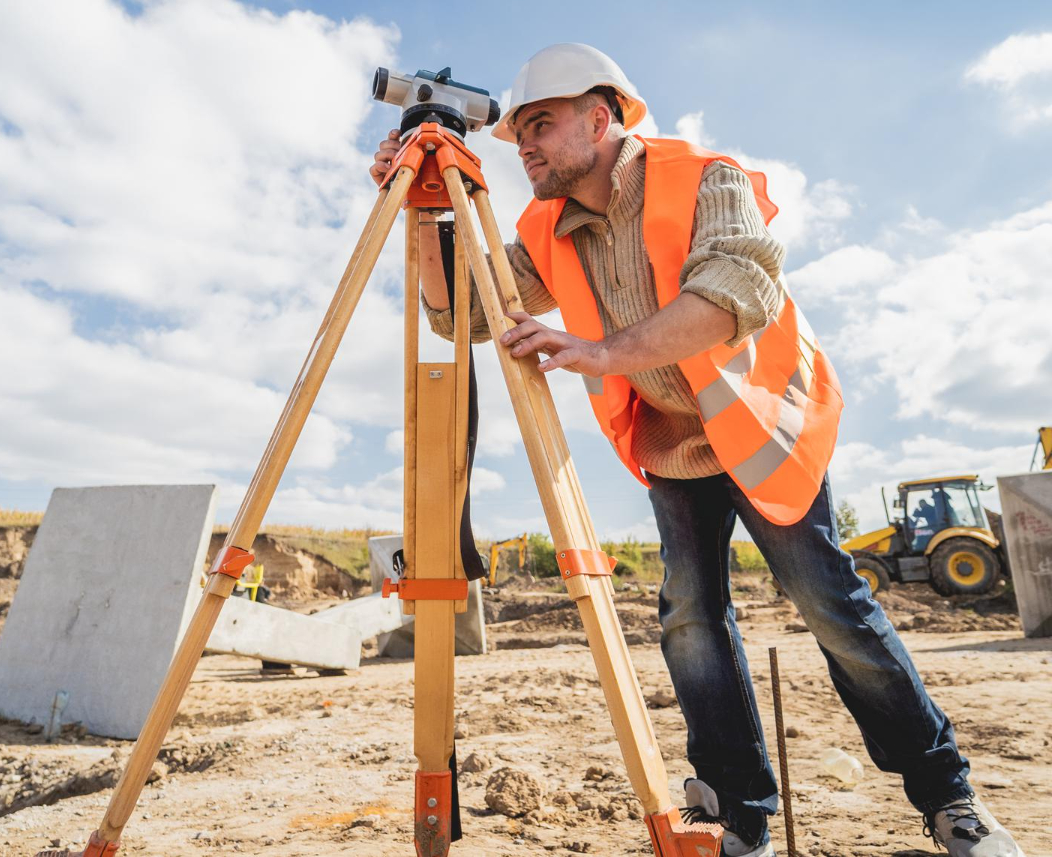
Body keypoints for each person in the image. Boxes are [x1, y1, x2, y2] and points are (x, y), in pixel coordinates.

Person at [368, 43, 1024, 857]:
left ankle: (950, 797)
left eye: (540, 124)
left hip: (761, 425)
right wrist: (426, 210)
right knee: (688, 618)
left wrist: (602, 351)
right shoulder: (548, 226)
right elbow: (457, 312)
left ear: (600, 118)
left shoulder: (708, 177)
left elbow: (731, 295)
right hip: (674, 443)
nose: (524, 144)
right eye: (517, 132)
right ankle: (738, 814)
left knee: (830, 603)